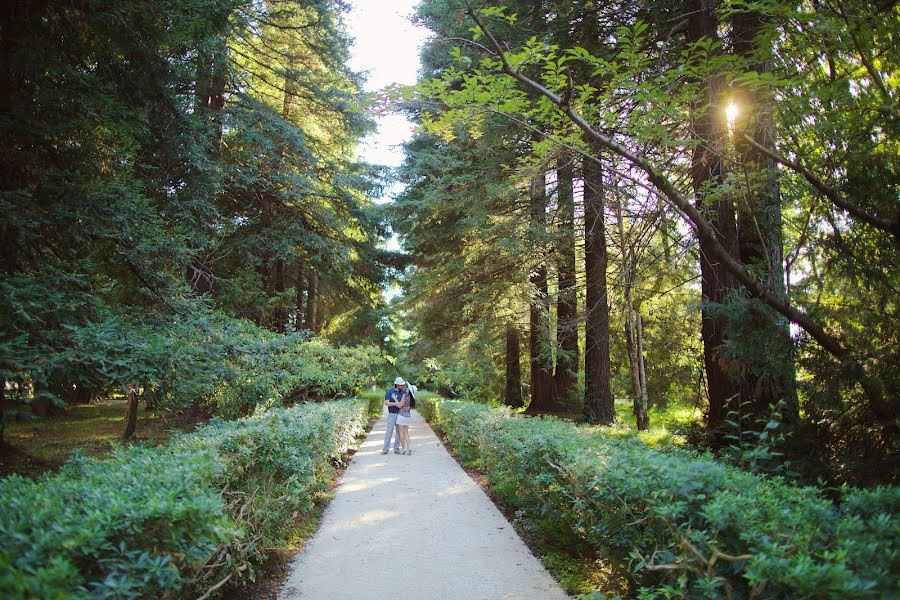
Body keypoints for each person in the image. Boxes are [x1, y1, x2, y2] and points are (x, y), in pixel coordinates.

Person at [382, 377, 405, 455]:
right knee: (389, 431)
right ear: (397, 384)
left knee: (399, 432)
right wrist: (396, 403)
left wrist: (396, 403)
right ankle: (385, 449)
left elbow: (403, 404)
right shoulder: (389, 392)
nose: (402, 385)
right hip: (392, 414)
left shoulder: (403, 392)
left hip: (400, 414)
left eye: (402, 384)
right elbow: (387, 403)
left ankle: (396, 448)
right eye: (401, 384)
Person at [394, 384, 416, 455]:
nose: (406, 388)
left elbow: (400, 405)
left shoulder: (404, 396)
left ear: (409, 390)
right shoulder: (412, 399)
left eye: (407, 388)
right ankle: (408, 448)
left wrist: (395, 399)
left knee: (401, 433)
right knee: (406, 433)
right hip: (408, 417)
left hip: (401, 416)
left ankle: (403, 449)